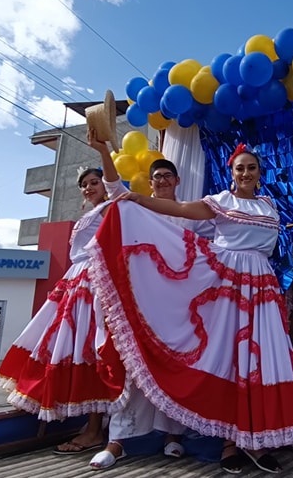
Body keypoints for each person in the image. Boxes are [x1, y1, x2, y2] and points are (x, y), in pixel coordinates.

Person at [88, 143, 293, 474]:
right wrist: (138, 199)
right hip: (228, 287)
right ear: (232, 174)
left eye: (251, 168)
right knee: (231, 360)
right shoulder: (221, 202)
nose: (245, 173)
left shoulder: (270, 206)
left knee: (261, 361)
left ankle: (257, 442)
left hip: (262, 287)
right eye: (239, 168)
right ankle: (229, 444)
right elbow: (180, 210)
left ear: (259, 174)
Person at [85, 129, 214, 470]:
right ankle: (117, 442)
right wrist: (102, 151)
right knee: (135, 368)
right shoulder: (138, 207)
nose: (161, 181)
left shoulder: (190, 213)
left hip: (178, 307)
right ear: (150, 182)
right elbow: (114, 188)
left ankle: (173, 436)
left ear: (177, 180)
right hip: (140, 305)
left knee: (175, 366)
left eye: (167, 176)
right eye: (156, 177)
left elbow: (212, 252)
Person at [0, 145, 123, 457]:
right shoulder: (91, 213)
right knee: (68, 347)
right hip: (75, 286)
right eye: (84, 184)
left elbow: (115, 189)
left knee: (91, 349)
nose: (89, 187)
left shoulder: (113, 207)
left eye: (95, 182)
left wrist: (103, 149)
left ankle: (94, 428)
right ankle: (88, 424)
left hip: (94, 285)